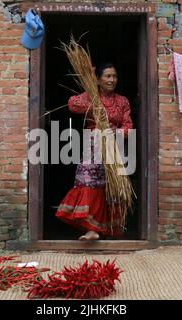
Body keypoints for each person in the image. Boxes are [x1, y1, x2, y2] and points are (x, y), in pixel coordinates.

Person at [55, 62, 133, 241]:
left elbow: (129, 126)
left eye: (114, 76)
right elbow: (72, 104)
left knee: (112, 187)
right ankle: (92, 230)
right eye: (107, 76)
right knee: (89, 183)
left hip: (115, 147)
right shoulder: (91, 96)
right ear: (97, 80)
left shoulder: (122, 101)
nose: (111, 80)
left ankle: (109, 230)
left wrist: (117, 131)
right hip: (93, 146)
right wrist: (93, 104)